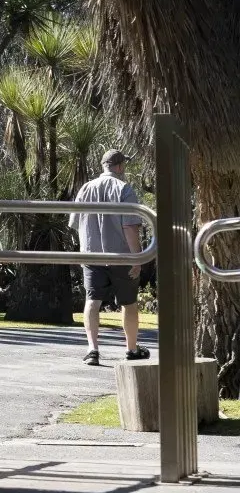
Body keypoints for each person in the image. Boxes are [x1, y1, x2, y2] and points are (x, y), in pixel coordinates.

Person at [71, 149, 149, 366]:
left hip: (92, 255)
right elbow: (130, 227)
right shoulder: (124, 189)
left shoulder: (85, 188)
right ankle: (132, 349)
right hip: (121, 256)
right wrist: (137, 258)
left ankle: (92, 349)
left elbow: (76, 224)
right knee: (129, 303)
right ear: (120, 166)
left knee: (92, 300)